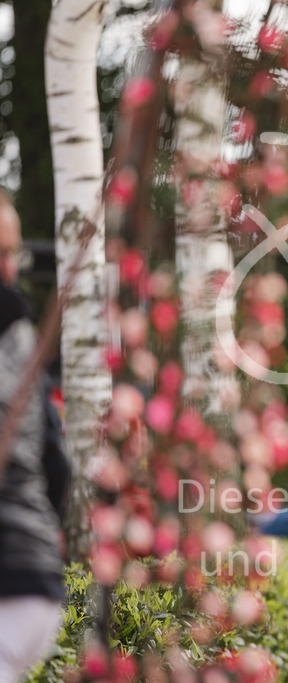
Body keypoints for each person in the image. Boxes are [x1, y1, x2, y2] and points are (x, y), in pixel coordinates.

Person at [0, 191, 66, 682]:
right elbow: (56, 465)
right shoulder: (21, 334)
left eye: (11, 253)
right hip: (35, 579)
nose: (9, 268)